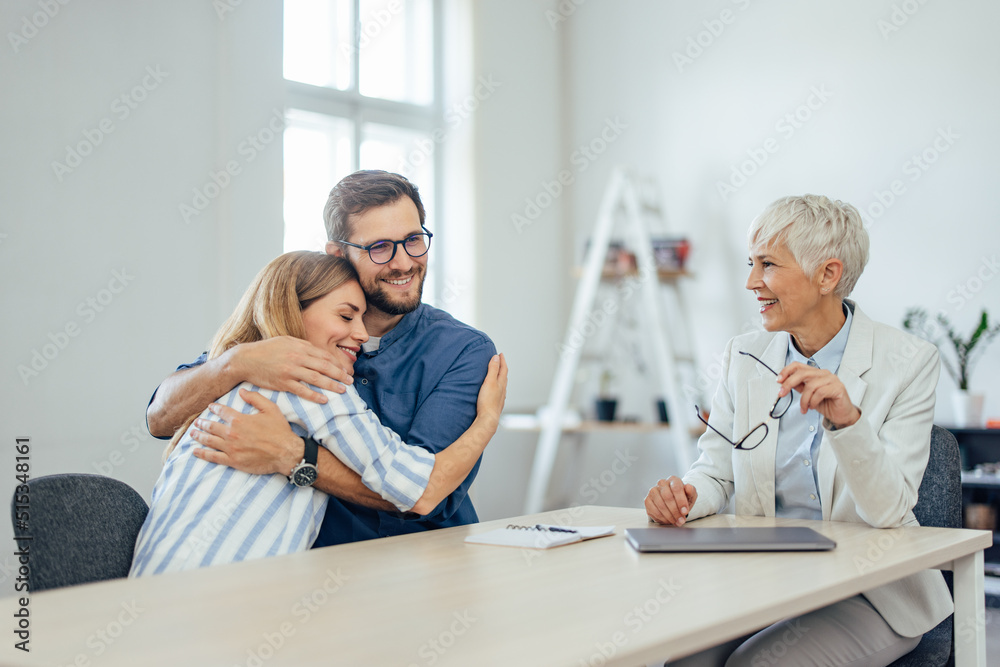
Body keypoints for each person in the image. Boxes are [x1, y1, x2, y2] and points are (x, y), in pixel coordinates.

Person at [644, 194, 952, 666]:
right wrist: (686, 496)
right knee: (678, 658)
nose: (751, 282)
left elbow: (889, 510)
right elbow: (716, 472)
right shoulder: (743, 357)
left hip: (871, 593)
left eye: (767, 265)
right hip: (768, 583)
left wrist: (847, 421)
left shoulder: (908, 362)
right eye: (752, 263)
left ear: (828, 275)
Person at [146, 170, 498, 547]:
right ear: (338, 253)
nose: (403, 262)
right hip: (308, 572)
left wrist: (293, 456)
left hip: (423, 564)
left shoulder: (464, 350)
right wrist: (235, 363)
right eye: (380, 247)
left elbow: (423, 496)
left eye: (413, 240)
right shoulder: (289, 344)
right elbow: (161, 418)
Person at [131, 252, 507, 576]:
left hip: (152, 588)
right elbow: (418, 489)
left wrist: (293, 456)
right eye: (345, 317)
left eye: (413, 240)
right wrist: (488, 421)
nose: (360, 334)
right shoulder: (307, 379)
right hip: (224, 605)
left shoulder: (231, 377)